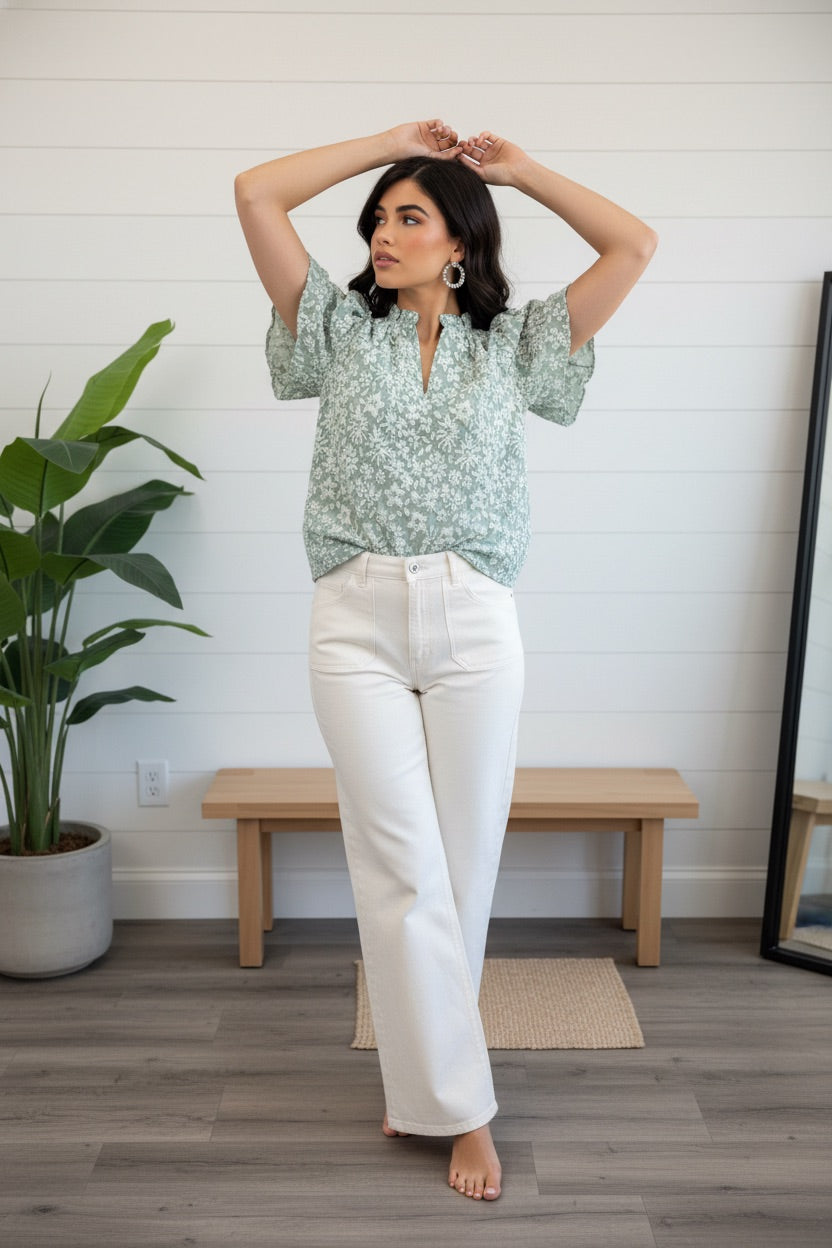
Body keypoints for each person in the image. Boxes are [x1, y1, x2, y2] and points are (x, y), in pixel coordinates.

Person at [235, 119, 657, 1202]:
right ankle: (463, 1112)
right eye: (376, 218)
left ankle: (421, 1082)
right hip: (354, 619)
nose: (381, 231)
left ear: (458, 244)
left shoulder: (515, 346)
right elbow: (254, 192)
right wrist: (386, 144)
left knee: (461, 870)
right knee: (402, 867)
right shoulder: (334, 330)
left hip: (474, 621)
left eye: (407, 216)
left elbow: (633, 245)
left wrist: (517, 172)